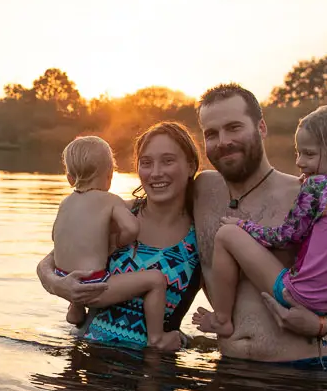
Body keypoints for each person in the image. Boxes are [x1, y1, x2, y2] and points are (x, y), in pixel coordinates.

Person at [187, 84, 327, 369]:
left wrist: (324, 323)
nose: (223, 141)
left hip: (307, 375)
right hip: (229, 372)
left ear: (261, 128)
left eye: (234, 127)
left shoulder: (309, 193)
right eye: (211, 133)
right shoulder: (201, 192)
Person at [37, 122, 204, 351]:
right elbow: (51, 260)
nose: (156, 172)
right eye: (146, 163)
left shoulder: (201, 236)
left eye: (168, 160)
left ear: (190, 165)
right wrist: (59, 285)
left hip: (152, 373)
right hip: (87, 358)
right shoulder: (118, 214)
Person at [49, 135, 169, 347]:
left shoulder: (65, 204)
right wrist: (120, 242)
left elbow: (55, 236)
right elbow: (132, 228)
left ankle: (75, 309)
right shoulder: (110, 200)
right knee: (157, 280)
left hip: (64, 278)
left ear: (69, 178)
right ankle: (157, 338)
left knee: (79, 265)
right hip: (93, 284)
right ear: (110, 175)